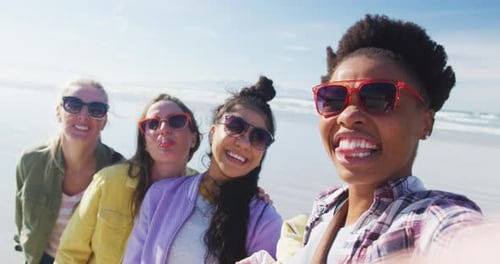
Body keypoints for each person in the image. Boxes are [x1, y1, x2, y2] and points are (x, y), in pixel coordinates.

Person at [240, 14, 485, 264]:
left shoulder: (421, 224)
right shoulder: (327, 204)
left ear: (426, 122)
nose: (348, 116)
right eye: (333, 99)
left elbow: (462, 239)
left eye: (378, 98)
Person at [123, 76, 283, 263]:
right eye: (235, 126)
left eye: (259, 137)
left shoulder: (265, 222)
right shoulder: (161, 195)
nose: (244, 143)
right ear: (213, 132)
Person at [54, 93, 201, 263]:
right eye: (152, 124)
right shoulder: (109, 182)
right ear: (144, 142)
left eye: (176, 121)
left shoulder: (202, 193)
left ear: (193, 138)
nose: (163, 128)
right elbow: (70, 254)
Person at [15, 79, 124, 264]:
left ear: (104, 121)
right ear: (59, 112)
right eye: (73, 105)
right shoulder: (32, 160)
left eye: (96, 109)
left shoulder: (119, 172)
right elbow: (21, 222)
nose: (83, 115)